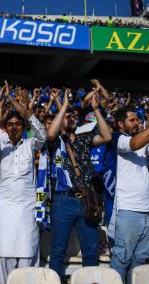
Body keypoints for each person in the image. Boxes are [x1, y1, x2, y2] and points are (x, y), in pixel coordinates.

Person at [0, 81, 47, 284]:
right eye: (10, 125)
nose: (14, 127)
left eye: (18, 124)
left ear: (22, 126)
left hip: (26, 208)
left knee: (27, 251)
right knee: (4, 253)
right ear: (6, 128)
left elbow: (43, 135)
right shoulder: (0, 146)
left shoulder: (30, 144)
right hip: (4, 209)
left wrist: (28, 114)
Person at [44, 89, 111, 280]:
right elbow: (49, 134)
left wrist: (96, 110)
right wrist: (63, 106)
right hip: (62, 200)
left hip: (86, 200)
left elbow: (106, 137)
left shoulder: (83, 139)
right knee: (58, 252)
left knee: (90, 251)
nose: (72, 119)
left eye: (73, 116)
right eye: (67, 117)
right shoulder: (55, 142)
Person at [109, 107, 149, 284]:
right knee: (122, 260)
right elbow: (135, 144)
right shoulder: (117, 138)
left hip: (145, 211)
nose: (137, 122)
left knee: (140, 262)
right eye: (132, 120)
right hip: (127, 210)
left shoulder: (141, 142)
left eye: (138, 120)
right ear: (121, 124)